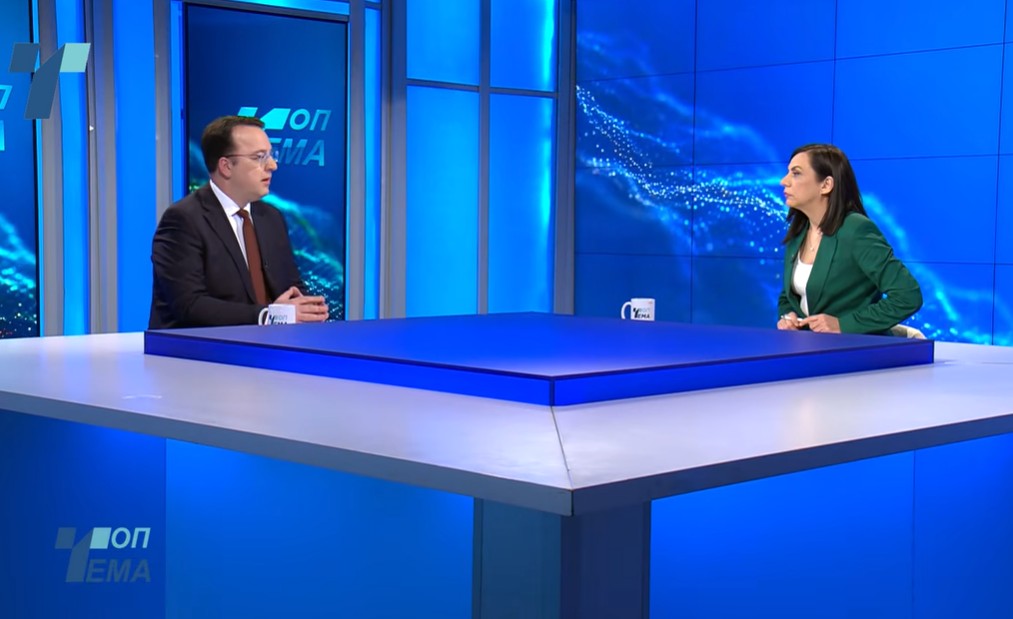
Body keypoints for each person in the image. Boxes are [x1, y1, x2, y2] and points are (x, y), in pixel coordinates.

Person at [149, 115, 328, 329]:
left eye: (271, 155)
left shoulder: (271, 217)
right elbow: (189, 305)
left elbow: (290, 285)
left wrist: (308, 309)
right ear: (226, 166)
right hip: (201, 347)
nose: (272, 165)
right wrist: (267, 316)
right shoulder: (183, 220)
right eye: (259, 157)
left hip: (269, 344)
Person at [776, 144, 921, 334]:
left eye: (796, 173)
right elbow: (789, 295)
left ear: (826, 185)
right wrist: (788, 316)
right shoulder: (799, 232)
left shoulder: (856, 230)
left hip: (856, 347)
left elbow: (908, 296)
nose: (784, 181)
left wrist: (842, 325)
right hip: (812, 346)